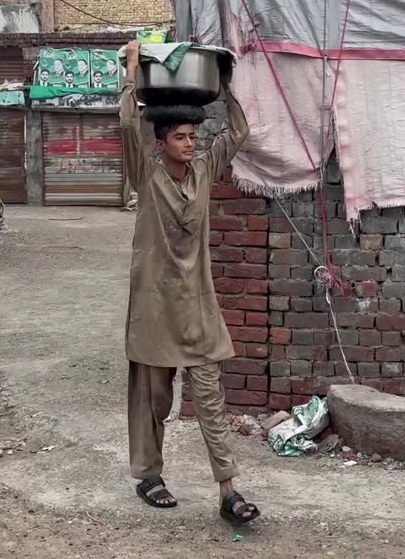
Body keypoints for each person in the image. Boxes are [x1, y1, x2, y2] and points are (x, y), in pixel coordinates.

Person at [119, 41, 260, 526]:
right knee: (153, 401)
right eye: (179, 136)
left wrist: (225, 88)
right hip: (155, 307)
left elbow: (238, 131)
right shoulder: (146, 175)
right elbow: (126, 127)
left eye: (191, 136)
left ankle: (228, 490)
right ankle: (149, 476)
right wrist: (132, 73)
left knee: (211, 400)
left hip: (197, 306)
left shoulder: (204, 171)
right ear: (160, 143)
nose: (190, 142)